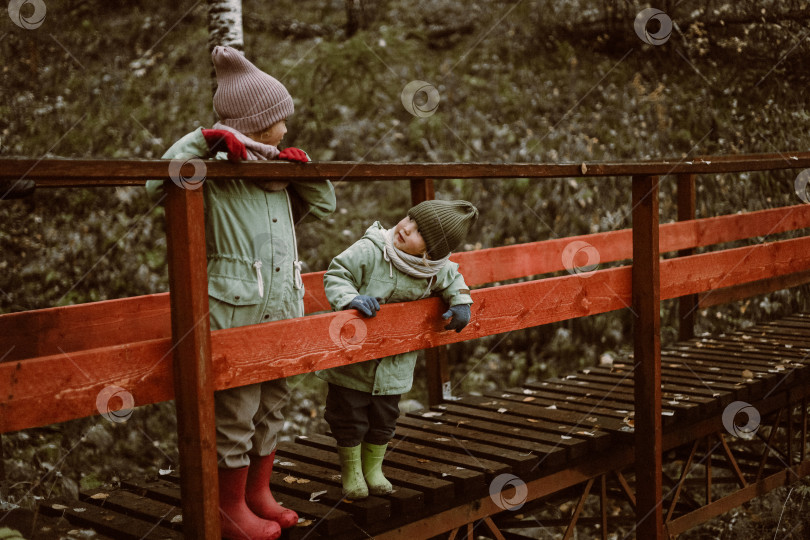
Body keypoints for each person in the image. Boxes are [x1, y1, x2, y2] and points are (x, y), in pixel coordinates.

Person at [147, 46, 336, 540]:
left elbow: (327, 200)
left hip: (282, 309)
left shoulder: (273, 170)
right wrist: (205, 138)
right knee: (236, 414)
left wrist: (299, 164)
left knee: (273, 405)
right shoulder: (217, 168)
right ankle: (228, 508)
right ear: (252, 122)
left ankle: (257, 494)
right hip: (235, 313)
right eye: (279, 122)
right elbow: (154, 180)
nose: (287, 130)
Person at [317, 199, 477, 499]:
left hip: (395, 365)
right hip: (352, 361)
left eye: (419, 232)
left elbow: (454, 279)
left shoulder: (433, 269)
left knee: (384, 418)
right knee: (348, 416)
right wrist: (350, 299)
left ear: (430, 252)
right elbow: (337, 274)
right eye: (409, 219)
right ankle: (351, 472)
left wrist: (461, 303)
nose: (406, 228)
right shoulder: (372, 250)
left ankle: (373, 469)